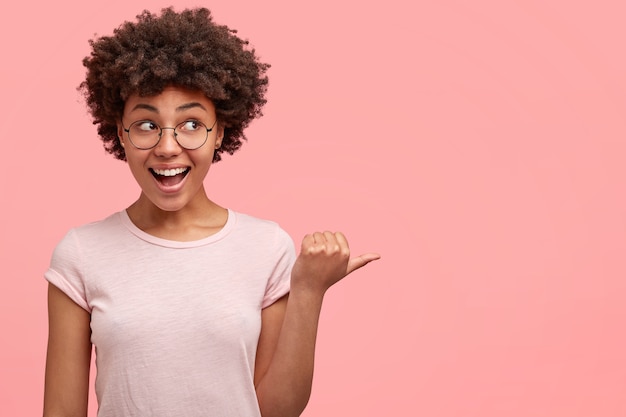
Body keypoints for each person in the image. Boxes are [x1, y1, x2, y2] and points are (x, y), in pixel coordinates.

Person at [43, 6, 379, 417]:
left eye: (191, 124)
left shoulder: (266, 246)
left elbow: (276, 411)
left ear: (219, 131)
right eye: (147, 125)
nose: (167, 147)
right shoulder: (81, 253)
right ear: (120, 133)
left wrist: (308, 290)